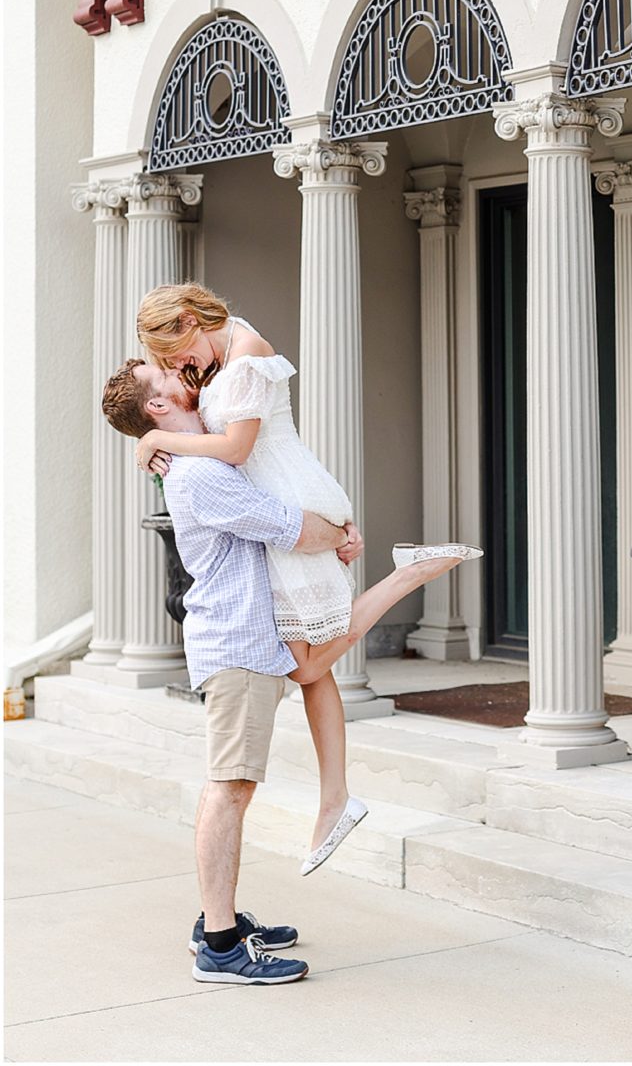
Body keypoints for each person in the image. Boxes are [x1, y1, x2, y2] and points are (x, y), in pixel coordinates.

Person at [101, 357, 470, 985]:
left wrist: (338, 536)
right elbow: (288, 527)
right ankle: (219, 945)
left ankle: (217, 921)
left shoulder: (199, 454)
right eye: (157, 372)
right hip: (239, 645)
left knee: (298, 690)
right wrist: (340, 533)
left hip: (254, 635)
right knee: (230, 786)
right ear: (157, 407)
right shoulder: (198, 476)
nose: (170, 367)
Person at [131, 283, 481, 877]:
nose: (177, 366)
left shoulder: (244, 355)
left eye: (174, 353)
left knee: (307, 664)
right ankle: (335, 799)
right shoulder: (224, 352)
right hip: (281, 502)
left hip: (286, 500)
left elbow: (239, 450)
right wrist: (158, 435)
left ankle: (408, 574)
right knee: (309, 667)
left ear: (190, 319)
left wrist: (160, 436)